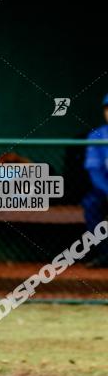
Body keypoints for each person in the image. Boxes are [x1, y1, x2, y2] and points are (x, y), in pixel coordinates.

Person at [82, 93, 108, 267]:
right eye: (107, 109)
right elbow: (95, 171)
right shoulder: (97, 135)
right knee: (90, 203)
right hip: (104, 189)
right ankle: (106, 254)